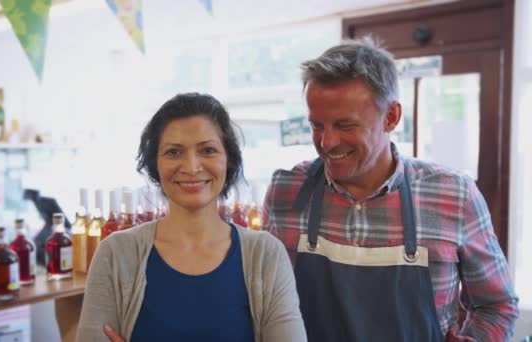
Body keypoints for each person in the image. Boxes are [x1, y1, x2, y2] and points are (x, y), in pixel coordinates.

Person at [262, 38, 519, 341]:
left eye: (345, 125)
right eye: (317, 125)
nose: (327, 142)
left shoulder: (454, 196)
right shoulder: (286, 192)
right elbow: (264, 302)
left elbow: (497, 304)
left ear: (392, 117)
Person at [76, 93, 306, 342]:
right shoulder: (115, 253)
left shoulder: (266, 255)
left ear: (228, 160)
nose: (191, 167)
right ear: (156, 164)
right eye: (174, 152)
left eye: (208, 150)